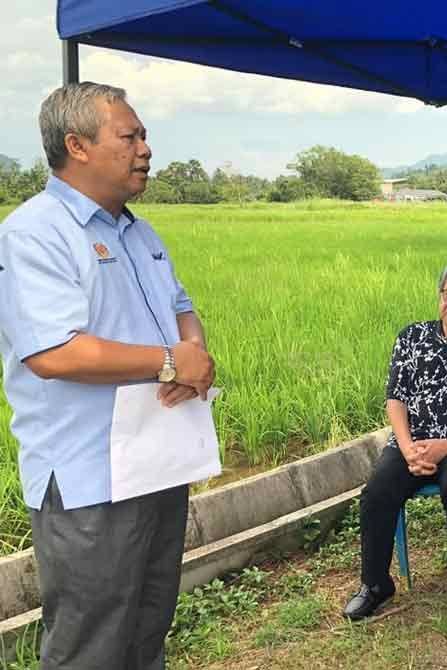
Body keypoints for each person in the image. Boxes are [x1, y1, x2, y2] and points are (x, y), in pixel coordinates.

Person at [0, 82, 216, 669]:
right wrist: (167, 361)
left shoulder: (139, 232)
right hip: (88, 479)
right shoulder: (36, 232)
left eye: (143, 134)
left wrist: (194, 354)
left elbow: (180, 309)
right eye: (130, 136)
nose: (145, 148)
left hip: (156, 461)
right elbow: (53, 352)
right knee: (91, 644)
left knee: (149, 626)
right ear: (78, 146)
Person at [342, 261, 447, 640]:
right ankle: (374, 584)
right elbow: (395, 399)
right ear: (440, 296)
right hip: (414, 442)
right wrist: (406, 449)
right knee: (377, 493)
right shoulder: (412, 338)